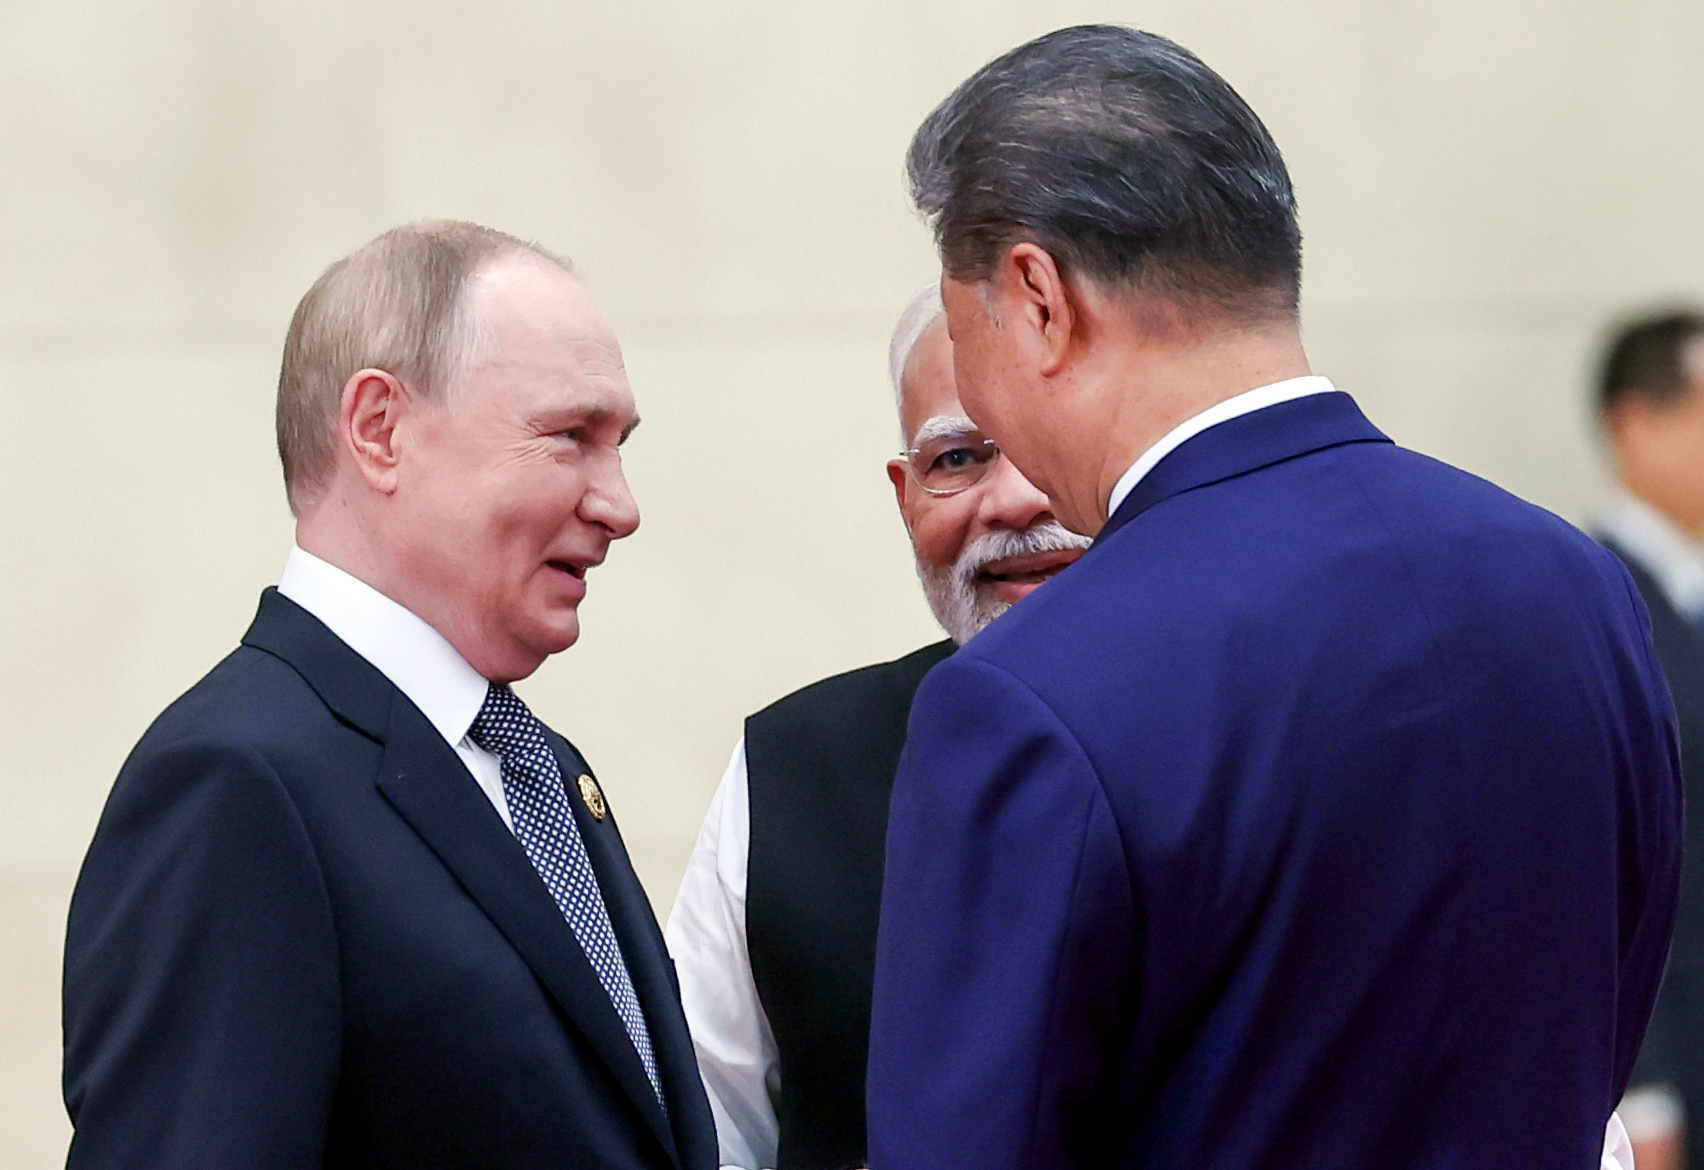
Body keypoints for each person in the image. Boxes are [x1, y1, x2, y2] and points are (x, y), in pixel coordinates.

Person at [867, 25, 1682, 1170]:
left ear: (1038, 298)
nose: (989, 420)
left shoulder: (1034, 689)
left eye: (968, 337)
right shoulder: (1575, 586)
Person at [62, 222, 717, 1169]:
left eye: (618, 446)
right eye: (570, 435)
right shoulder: (234, 784)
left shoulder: (537, 769)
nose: (620, 505)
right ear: (379, 430)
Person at [664, 283, 1090, 1170]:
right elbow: (701, 1137)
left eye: (1049, 442)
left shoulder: (1272, 740)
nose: (1010, 500)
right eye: (959, 459)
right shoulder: (788, 774)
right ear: (906, 497)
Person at [1597, 310, 1704, 1170]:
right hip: (1672, 1062)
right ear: (1633, 423)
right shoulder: (1593, 605)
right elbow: (1608, 866)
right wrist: (1644, 1091)